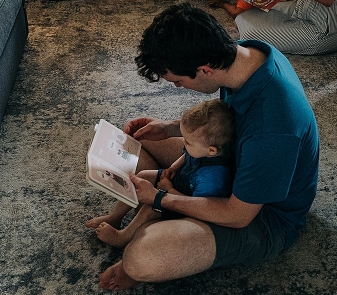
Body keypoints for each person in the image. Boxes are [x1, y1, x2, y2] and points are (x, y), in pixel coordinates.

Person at [95, 2, 319, 291]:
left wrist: (161, 198)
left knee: (140, 259)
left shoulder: (272, 127)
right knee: (139, 140)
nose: (177, 87)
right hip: (231, 158)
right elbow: (227, 122)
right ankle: (161, 216)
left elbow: (238, 216)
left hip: (262, 216)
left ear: (205, 69)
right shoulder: (247, 55)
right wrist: (170, 127)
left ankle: (159, 221)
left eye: (178, 81)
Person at [87, 98, 235, 248]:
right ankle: (115, 217)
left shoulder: (212, 180)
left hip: (184, 203)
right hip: (178, 180)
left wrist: (167, 190)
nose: (183, 142)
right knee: (142, 176)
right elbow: (187, 155)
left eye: (188, 142)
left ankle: (122, 237)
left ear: (212, 150)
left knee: (150, 208)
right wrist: (173, 168)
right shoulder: (203, 150)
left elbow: (195, 206)